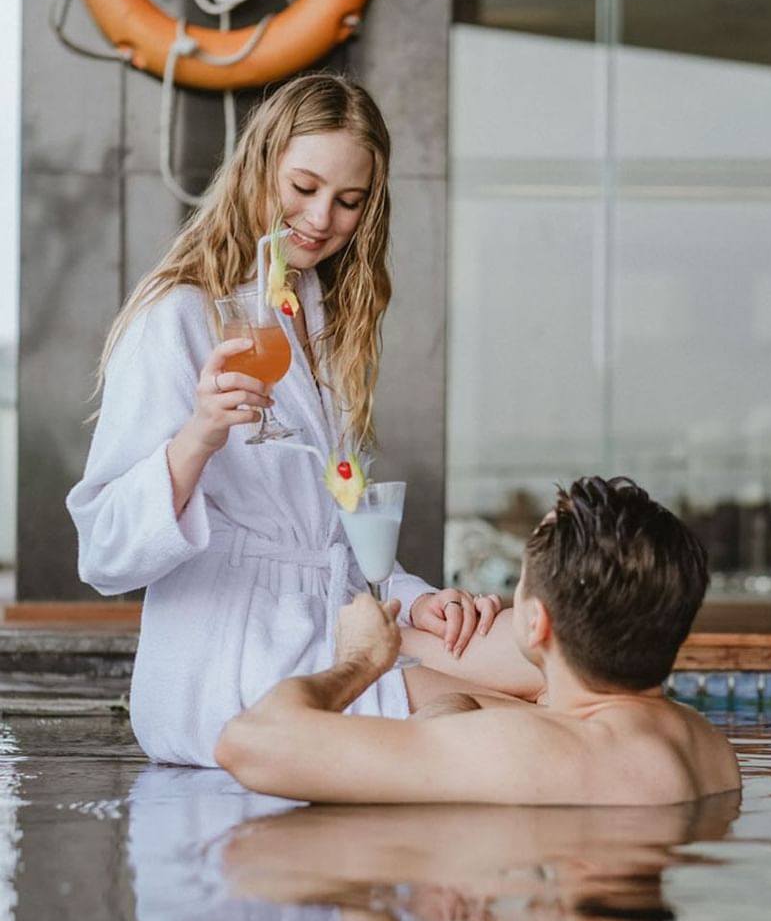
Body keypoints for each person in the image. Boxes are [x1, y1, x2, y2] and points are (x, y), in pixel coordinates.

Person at [66, 73, 507, 767]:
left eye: (349, 200)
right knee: (497, 718)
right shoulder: (178, 316)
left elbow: (333, 532)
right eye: (303, 188)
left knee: (540, 663)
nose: (322, 218)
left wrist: (417, 600)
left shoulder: (316, 318)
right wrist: (200, 435)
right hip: (232, 659)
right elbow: (105, 553)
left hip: (329, 620)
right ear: (257, 165)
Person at [216, 477, 742, 805]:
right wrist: (454, 705)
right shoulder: (706, 745)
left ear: (535, 625)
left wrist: (361, 660)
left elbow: (250, 743)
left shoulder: (523, 749)